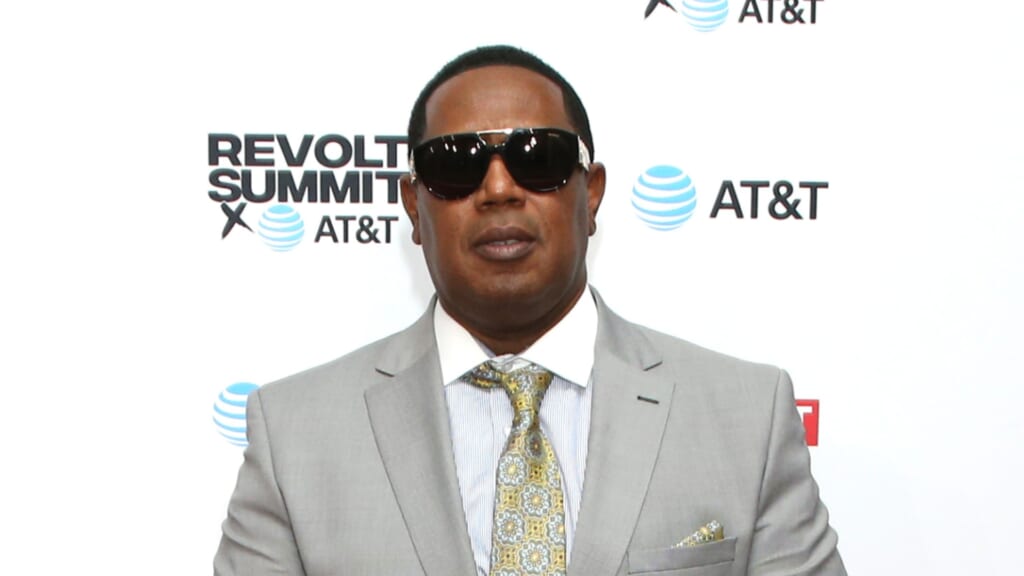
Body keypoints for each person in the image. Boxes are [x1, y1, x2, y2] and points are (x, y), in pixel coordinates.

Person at [214, 45, 846, 576]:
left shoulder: (747, 418)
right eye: (456, 165)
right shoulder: (294, 435)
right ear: (414, 207)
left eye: (537, 158)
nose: (498, 188)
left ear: (591, 194)